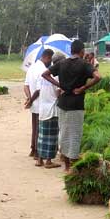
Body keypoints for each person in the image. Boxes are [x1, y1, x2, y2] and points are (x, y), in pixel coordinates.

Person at [42, 39, 101, 172]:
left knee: (63, 132)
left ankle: (66, 165)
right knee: (75, 133)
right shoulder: (84, 64)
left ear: (70, 50)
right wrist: (83, 88)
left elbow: (45, 74)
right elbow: (98, 77)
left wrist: (59, 85)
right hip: (76, 104)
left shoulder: (62, 63)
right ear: (82, 51)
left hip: (62, 102)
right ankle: (73, 166)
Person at [33, 53, 66, 169]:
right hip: (52, 109)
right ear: (61, 63)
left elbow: (38, 91)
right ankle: (48, 161)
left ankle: (39, 160)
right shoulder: (57, 76)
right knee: (51, 136)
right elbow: (58, 93)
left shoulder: (43, 75)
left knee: (42, 135)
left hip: (42, 108)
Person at [24, 49, 55, 159]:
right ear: (47, 57)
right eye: (50, 59)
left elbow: (26, 86)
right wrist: (31, 100)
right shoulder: (43, 69)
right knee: (39, 129)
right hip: (40, 103)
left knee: (34, 127)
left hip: (33, 103)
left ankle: (33, 149)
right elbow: (38, 90)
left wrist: (28, 98)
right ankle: (37, 152)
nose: (50, 62)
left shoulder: (31, 67)